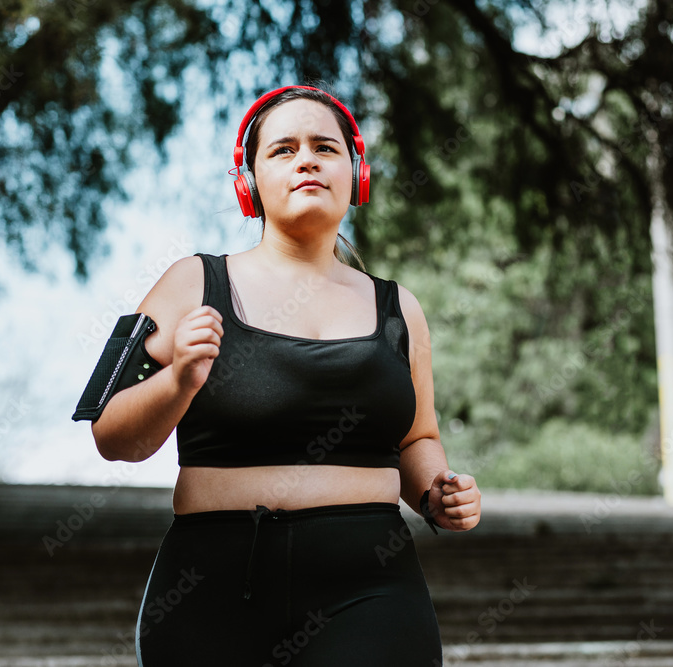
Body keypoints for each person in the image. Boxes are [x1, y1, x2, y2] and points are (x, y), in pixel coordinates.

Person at [90, 84, 482, 666]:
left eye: (325, 147)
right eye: (283, 150)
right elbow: (110, 435)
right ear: (248, 183)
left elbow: (418, 437)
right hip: (210, 591)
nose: (307, 161)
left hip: (372, 590)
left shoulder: (402, 308)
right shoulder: (189, 283)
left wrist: (437, 493)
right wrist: (178, 382)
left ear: (357, 174)